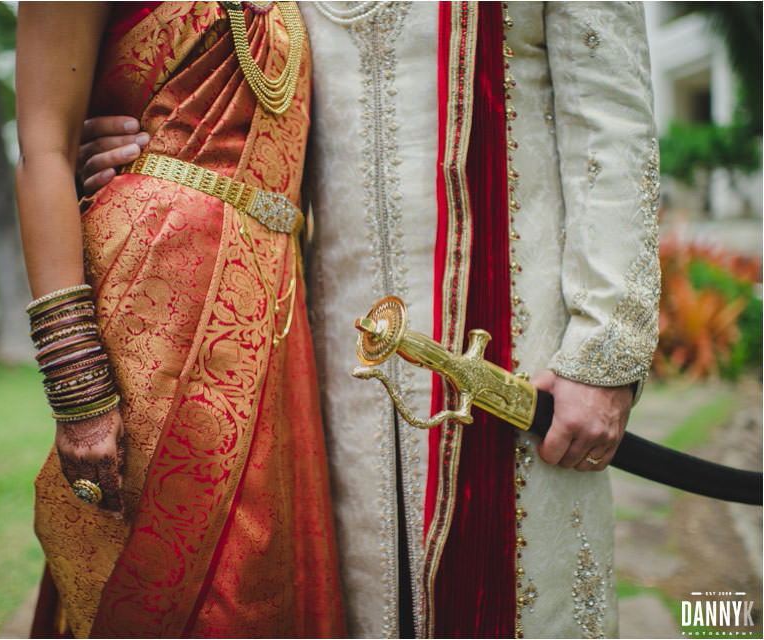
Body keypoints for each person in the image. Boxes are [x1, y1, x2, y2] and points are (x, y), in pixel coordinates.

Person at [80, 2, 660, 637]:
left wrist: (605, 352)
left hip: (524, 370)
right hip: (332, 377)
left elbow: (611, 125)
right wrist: (142, 149)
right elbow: (235, 115)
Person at [15, 2, 344, 637]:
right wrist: (76, 382)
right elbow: (41, 149)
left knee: (259, 577)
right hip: (156, 303)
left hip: (271, 302)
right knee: (161, 573)